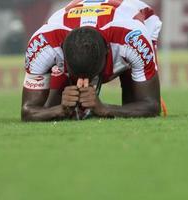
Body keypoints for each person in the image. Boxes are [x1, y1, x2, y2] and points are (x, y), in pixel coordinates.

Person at [21, 0, 164, 121]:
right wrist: (59, 109)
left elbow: (151, 105)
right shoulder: (43, 44)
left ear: (108, 52)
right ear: (62, 52)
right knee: (53, 107)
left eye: (92, 76)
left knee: (133, 104)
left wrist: (105, 109)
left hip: (139, 20)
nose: (85, 82)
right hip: (92, 28)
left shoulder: (134, 41)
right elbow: (28, 111)